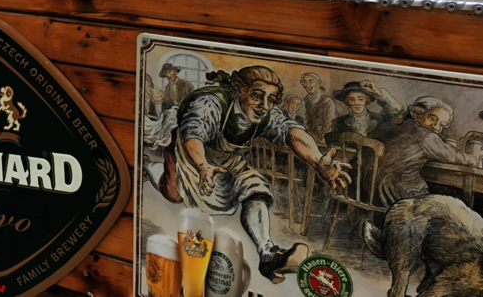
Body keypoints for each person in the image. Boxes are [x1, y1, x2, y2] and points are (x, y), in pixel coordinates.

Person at [143, 66, 351, 284]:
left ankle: (268, 255)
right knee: (174, 193)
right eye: (257, 96)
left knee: (255, 189)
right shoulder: (211, 103)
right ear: (241, 89)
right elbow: (193, 134)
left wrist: (318, 161)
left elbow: (291, 132)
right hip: (189, 149)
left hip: (226, 157)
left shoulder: (267, 114)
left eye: (271, 100)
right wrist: (202, 165)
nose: (264, 105)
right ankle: (149, 166)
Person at [371, 96, 477, 208]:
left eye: (442, 125)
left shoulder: (385, 126)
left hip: (367, 191)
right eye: (432, 119)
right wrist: (473, 159)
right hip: (399, 195)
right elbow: (453, 157)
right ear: (417, 115)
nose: (436, 127)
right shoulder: (426, 136)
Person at [328, 80, 403, 137]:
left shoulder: (379, 119)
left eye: (360, 99)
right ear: (346, 102)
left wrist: (378, 93)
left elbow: (397, 111)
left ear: (366, 101)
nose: (356, 103)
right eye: (352, 99)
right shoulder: (339, 122)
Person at [300, 72, 336, 144]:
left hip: (323, 139)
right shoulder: (307, 100)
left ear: (318, 83)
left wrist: (323, 139)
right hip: (311, 137)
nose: (307, 85)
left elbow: (329, 124)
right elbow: (307, 119)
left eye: (311, 82)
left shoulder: (327, 101)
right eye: (305, 82)